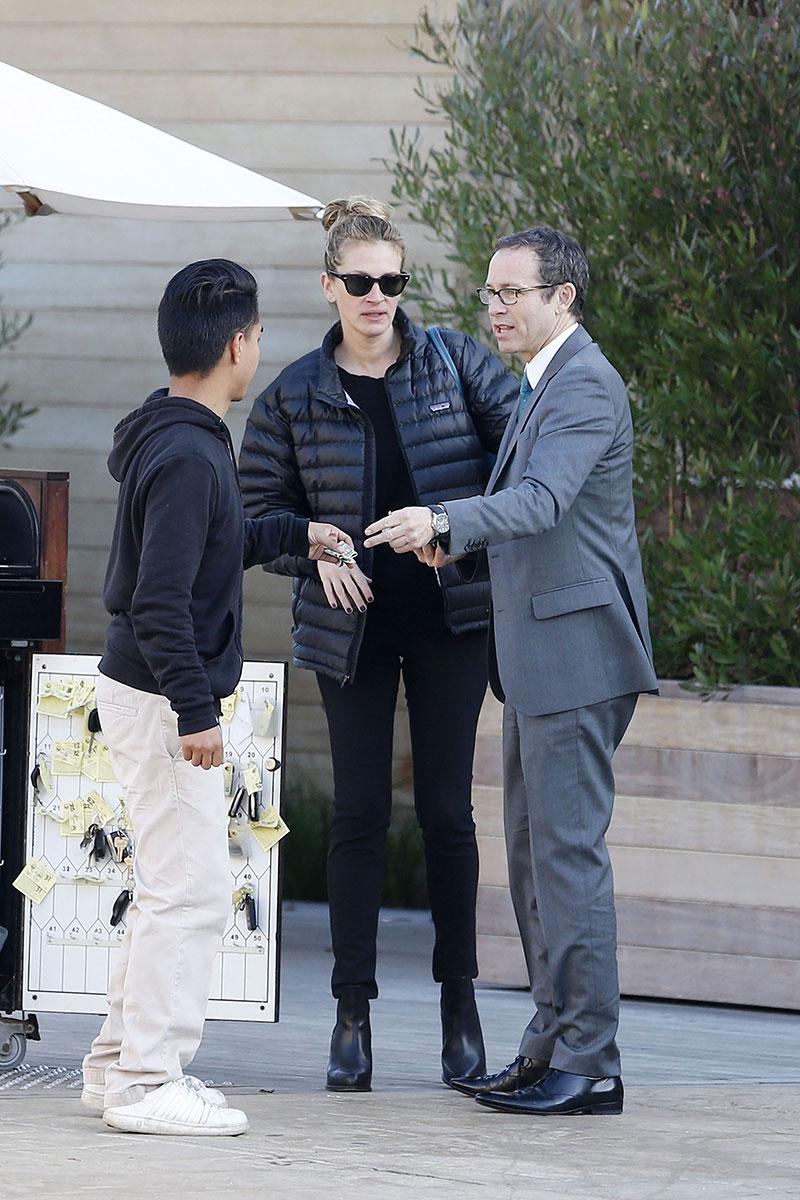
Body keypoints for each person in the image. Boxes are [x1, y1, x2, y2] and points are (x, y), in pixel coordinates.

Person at [365, 226, 658, 1116]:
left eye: (511, 294)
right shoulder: (548, 382)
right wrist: (452, 549)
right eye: (490, 294)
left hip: (576, 657)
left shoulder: (584, 386)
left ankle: (590, 1060)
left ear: (562, 298)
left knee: (564, 861)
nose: (494, 308)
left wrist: (443, 525)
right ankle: (549, 1046)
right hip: (541, 659)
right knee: (535, 861)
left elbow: (541, 503)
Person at [239, 197, 518, 1092]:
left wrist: (456, 531)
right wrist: (314, 548)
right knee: (358, 815)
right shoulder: (291, 396)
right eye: (360, 282)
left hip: (448, 619)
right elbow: (252, 519)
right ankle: (349, 1015)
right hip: (347, 628)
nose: (377, 297)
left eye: (391, 282)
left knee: (447, 816)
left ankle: (459, 1008)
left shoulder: (457, 363)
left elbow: (520, 462)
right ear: (329, 287)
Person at [81, 259, 352, 1136]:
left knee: (169, 886)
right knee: (189, 893)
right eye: (259, 335)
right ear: (238, 344)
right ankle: (147, 1083)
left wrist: (299, 533)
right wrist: (197, 714)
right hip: (166, 703)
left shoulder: (178, 437)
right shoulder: (192, 453)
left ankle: (116, 1070)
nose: (259, 347)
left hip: (152, 695)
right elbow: (159, 600)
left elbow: (212, 543)